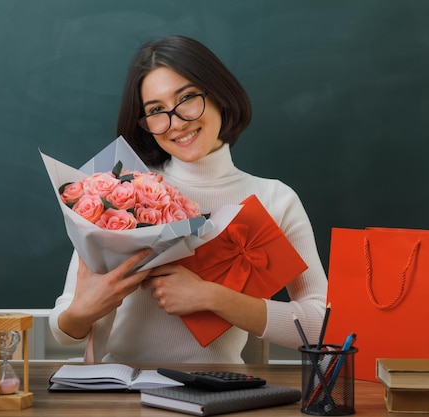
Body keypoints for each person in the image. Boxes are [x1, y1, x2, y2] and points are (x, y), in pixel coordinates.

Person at [49, 35, 327, 363]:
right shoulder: (120, 191)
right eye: (156, 111)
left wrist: (212, 297)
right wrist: (83, 311)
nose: (177, 122)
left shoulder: (275, 199)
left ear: (219, 94)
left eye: (187, 98)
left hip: (220, 394)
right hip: (123, 394)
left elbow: (322, 326)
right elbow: (63, 328)